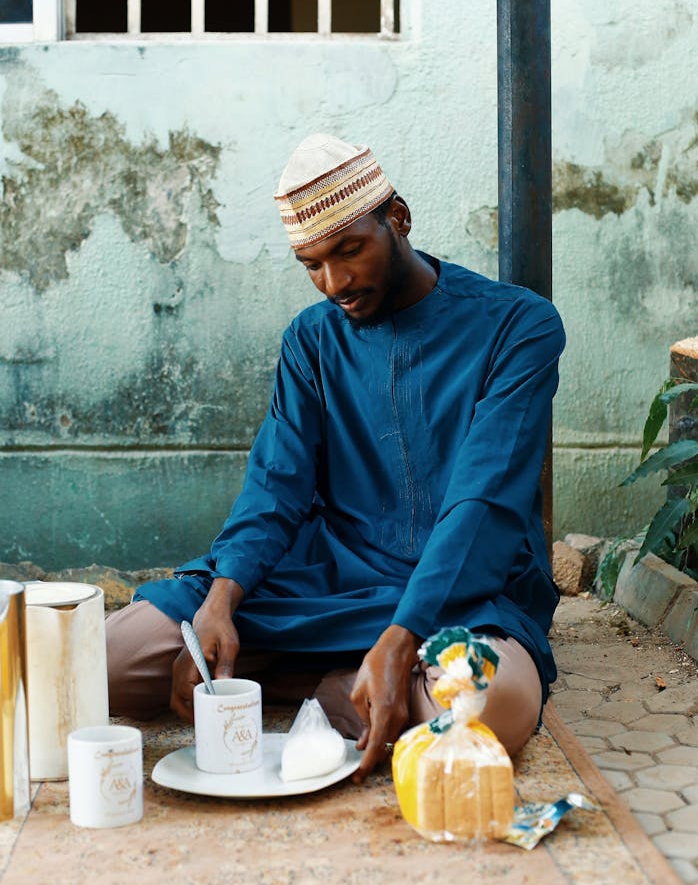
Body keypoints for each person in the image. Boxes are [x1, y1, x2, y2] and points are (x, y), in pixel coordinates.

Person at [106, 133, 566, 782]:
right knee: (110, 659)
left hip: (464, 591)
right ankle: (349, 677)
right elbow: (276, 486)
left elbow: (483, 502)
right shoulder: (311, 340)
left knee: (488, 709)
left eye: (350, 250)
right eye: (312, 264)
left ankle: (345, 679)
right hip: (327, 580)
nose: (336, 282)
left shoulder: (519, 326)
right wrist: (220, 599)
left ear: (397, 219)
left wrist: (406, 634)